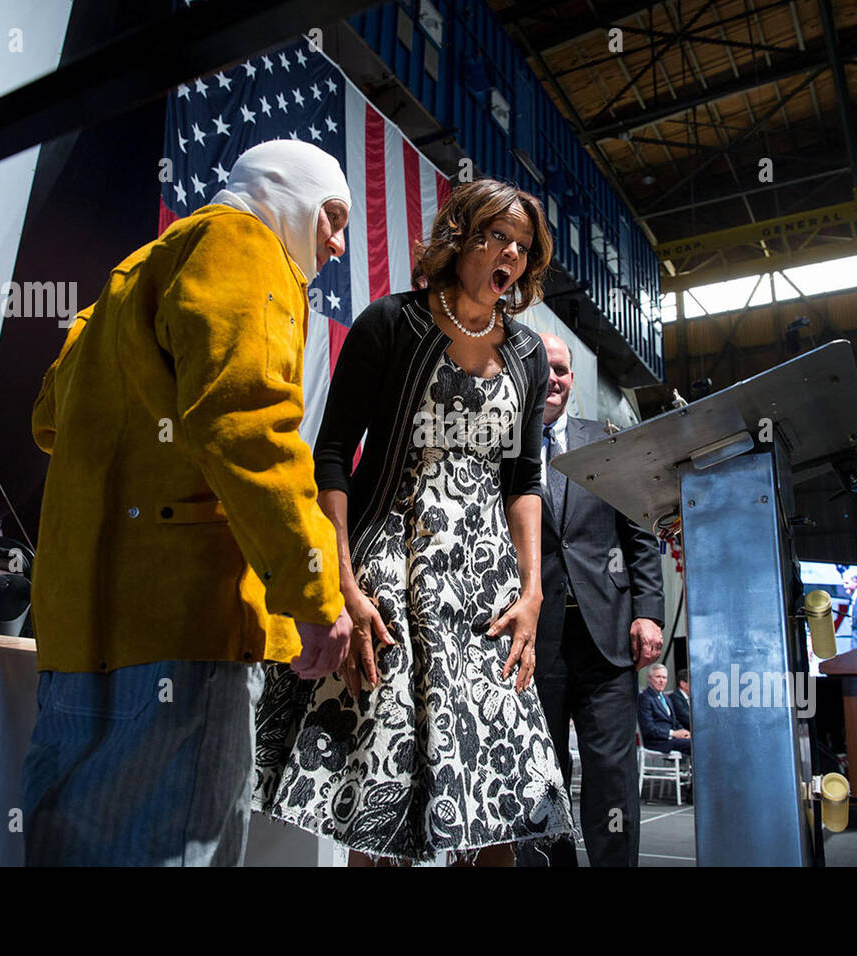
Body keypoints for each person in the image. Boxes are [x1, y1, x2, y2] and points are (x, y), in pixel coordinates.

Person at [21, 140, 354, 866]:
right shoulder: (246, 245)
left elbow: (48, 419)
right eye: (331, 217)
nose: (335, 244)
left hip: (80, 626)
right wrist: (314, 590)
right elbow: (248, 424)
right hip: (191, 624)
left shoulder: (131, 276)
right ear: (284, 191)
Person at [253, 178, 573, 866]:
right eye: (495, 236)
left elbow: (523, 478)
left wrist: (532, 592)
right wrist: (343, 578)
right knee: (382, 793)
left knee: (500, 805)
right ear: (459, 238)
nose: (509, 254)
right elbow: (332, 455)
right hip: (390, 571)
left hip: (486, 591)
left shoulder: (524, 353)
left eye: (521, 245)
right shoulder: (389, 322)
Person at [516, 332, 665, 868]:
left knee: (612, 776)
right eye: (543, 367)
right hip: (534, 645)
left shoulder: (606, 440)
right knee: (539, 779)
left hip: (608, 638)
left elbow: (642, 533)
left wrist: (648, 612)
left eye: (561, 368)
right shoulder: (502, 447)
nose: (553, 377)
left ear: (572, 379)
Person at [638, 663, 691, 756]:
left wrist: (685, 732)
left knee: (698, 741)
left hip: (671, 740)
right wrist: (673, 733)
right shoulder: (645, 698)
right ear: (649, 679)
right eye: (658, 677)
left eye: (664, 677)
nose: (661, 681)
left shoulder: (667, 698)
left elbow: (674, 721)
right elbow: (648, 729)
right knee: (695, 745)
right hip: (657, 742)